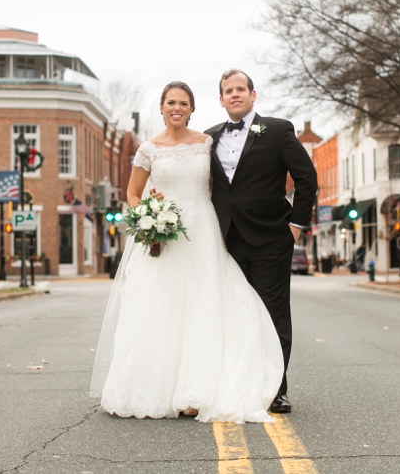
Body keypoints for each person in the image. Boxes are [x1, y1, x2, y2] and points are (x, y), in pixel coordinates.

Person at [90, 81, 283, 423]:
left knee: (203, 304)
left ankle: (198, 389)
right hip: (163, 234)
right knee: (160, 305)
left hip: (202, 230)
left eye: (183, 103)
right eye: (170, 102)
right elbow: (133, 194)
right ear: (161, 108)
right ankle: (156, 387)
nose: (176, 108)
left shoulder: (206, 143)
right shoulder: (148, 149)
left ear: (192, 108)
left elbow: (220, 187)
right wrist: (149, 211)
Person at [206, 69, 318, 414]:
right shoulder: (208, 138)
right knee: (235, 315)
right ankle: (239, 385)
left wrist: (295, 226)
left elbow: (306, 177)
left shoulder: (278, 129)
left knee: (272, 314)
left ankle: (276, 390)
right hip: (226, 242)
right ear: (221, 99)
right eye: (229, 90)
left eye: (241, 89)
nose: (235, 94)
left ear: (253, 95)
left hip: (272, 239)